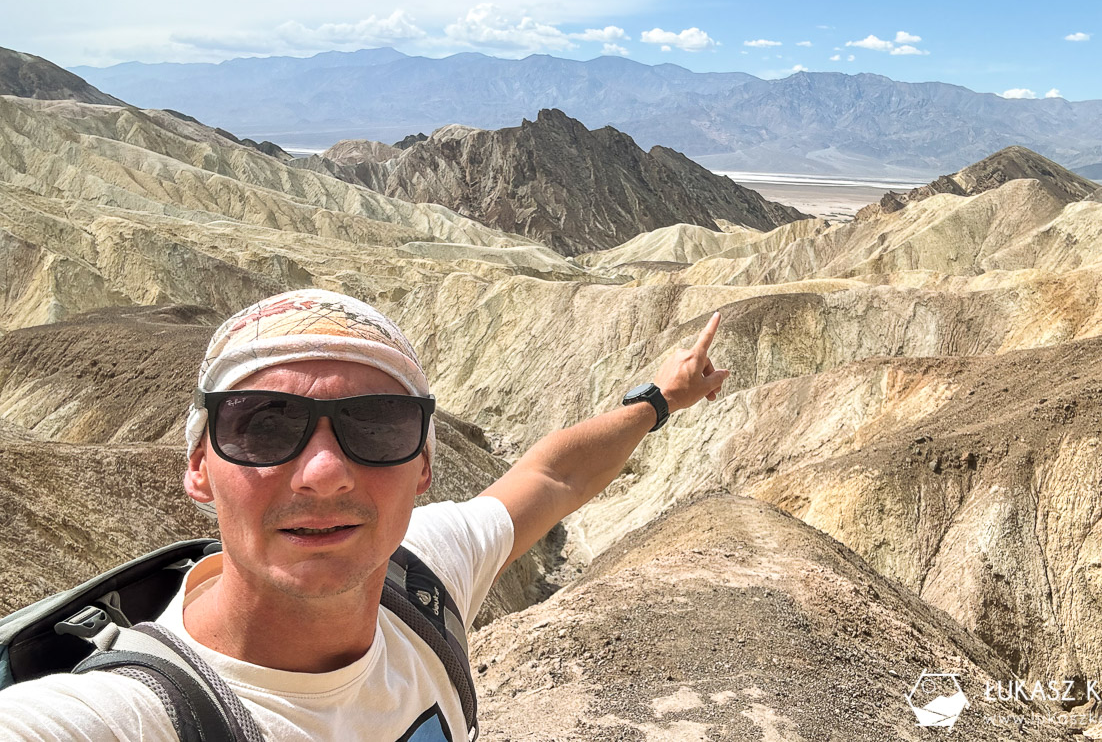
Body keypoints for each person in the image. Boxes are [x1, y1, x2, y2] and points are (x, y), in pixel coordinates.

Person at [0, 289, 729, 741]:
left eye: (376, 426)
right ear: (198, 466)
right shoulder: (133, 718)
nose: (323, 473)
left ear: (422, 467)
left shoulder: (420, 580)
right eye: (264, 426)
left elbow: (553, 475)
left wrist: (662, 398)